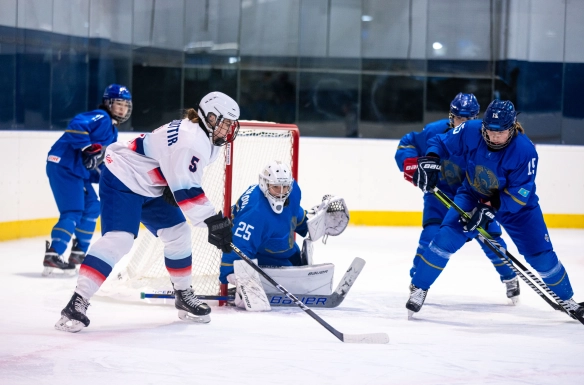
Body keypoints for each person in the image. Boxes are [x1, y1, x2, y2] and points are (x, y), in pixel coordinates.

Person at [55, 91, 240, 332]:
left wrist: (174, 186)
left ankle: (183, 294)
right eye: (224, 123)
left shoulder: (201, 134)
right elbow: (187, 190)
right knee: (119, 240)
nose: (228, 130)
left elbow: (178, 175)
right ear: (210, 118)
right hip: (124, 177)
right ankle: (77, 301)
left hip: (151, 184)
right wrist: (213, 222)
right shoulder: (191, 140)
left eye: (230, 124)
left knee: (178, 233)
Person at [407, 99, 584, 320]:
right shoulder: (471, 130)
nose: (493, 137)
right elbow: (441, 142)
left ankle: (567, 299)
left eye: (500, 133)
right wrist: (431, 159)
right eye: (489, 131)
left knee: (541, 257)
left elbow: (521, 192)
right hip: (472, 195)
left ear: (512, 128)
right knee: (444, 238)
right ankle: (419, 287)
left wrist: (490, 208)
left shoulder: (525, 151)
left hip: (518, 208)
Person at [395, 93, 520, 304]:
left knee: (491, 240)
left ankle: (509, 277)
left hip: (473, 197)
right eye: (458, 118)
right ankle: (417, 283)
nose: (462, 123)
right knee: (431, 235)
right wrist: (412, 164)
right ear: (450, 116)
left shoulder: (483, 138)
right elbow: (407, 143)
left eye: (468, 119)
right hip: (439, 195)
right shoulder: (434, 131)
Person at [219, 161, 350, 310]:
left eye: (285, 187)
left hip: (283, 249)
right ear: (265, 184)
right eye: (276, 187)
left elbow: (292, 213)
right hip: (262, 254)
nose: (281, 192)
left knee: (296, 263)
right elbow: (239, 245)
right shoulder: (255, 214)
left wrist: (311, 223)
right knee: (294, 277)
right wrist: (237, 276)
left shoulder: (293, 191)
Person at [44, 84, 132, 276]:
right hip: (63, 165)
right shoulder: (101, 117)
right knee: (73, 211)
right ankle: (53, 254)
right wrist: (86, 147)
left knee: (92, 205)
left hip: (76, 171)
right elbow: (77, 125)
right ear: (108, 103)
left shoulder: (113, 132)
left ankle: (78, 253)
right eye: (118, 104)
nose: (122, 109)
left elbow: (96, 164)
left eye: (125, 105)